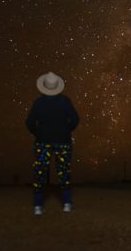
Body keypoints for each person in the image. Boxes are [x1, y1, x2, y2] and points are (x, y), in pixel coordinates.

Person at [26, 71, 79, 215]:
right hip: (63, 142)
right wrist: (66, 130)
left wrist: (38, 133)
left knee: (40, 173)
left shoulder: (38, 102)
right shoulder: (65, 101)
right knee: (64, 172)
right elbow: (75, 119)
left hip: (43, 143)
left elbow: (29, 123)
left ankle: (37, 206)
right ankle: (67, 204)